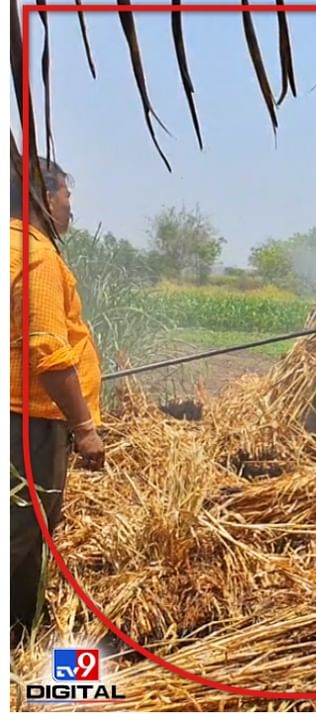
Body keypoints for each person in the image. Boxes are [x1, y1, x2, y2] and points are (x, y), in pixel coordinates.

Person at [9, 156, 106, 647]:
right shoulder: (36, 254)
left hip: (20, 415)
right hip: (30, 423)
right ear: (44, 199)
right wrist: (85, 427)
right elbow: (46, 347)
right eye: (67, 197)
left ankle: (21, 634)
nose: (70, 208)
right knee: (23, 530)